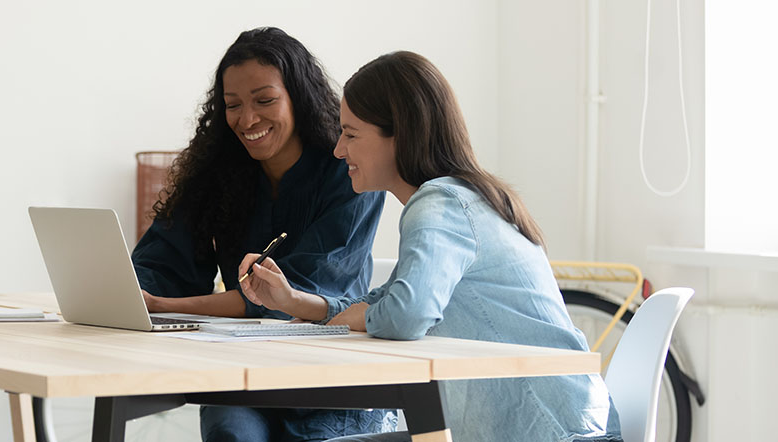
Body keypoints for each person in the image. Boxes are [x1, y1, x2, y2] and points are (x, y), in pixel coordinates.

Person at [237, 51, 624, 442]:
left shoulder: (440, 205)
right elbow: (386, 301)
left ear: (400, 136)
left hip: (555, 434)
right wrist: (293, 301)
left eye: (351, 134)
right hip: (558, 426)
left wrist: (352, 317)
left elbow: (405, 314)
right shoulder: (463, 198)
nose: (339, 150)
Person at [131, 28, 390, 442]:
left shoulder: (350, 172)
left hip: (331, 382)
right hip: (241, 376)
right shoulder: (216, 172)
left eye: (265, 101)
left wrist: (162, 304)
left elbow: (295, 298)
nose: (247, 120)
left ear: (298, 97)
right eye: (232, 105)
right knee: (230, 435)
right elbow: (163, 262)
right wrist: (129, 292)